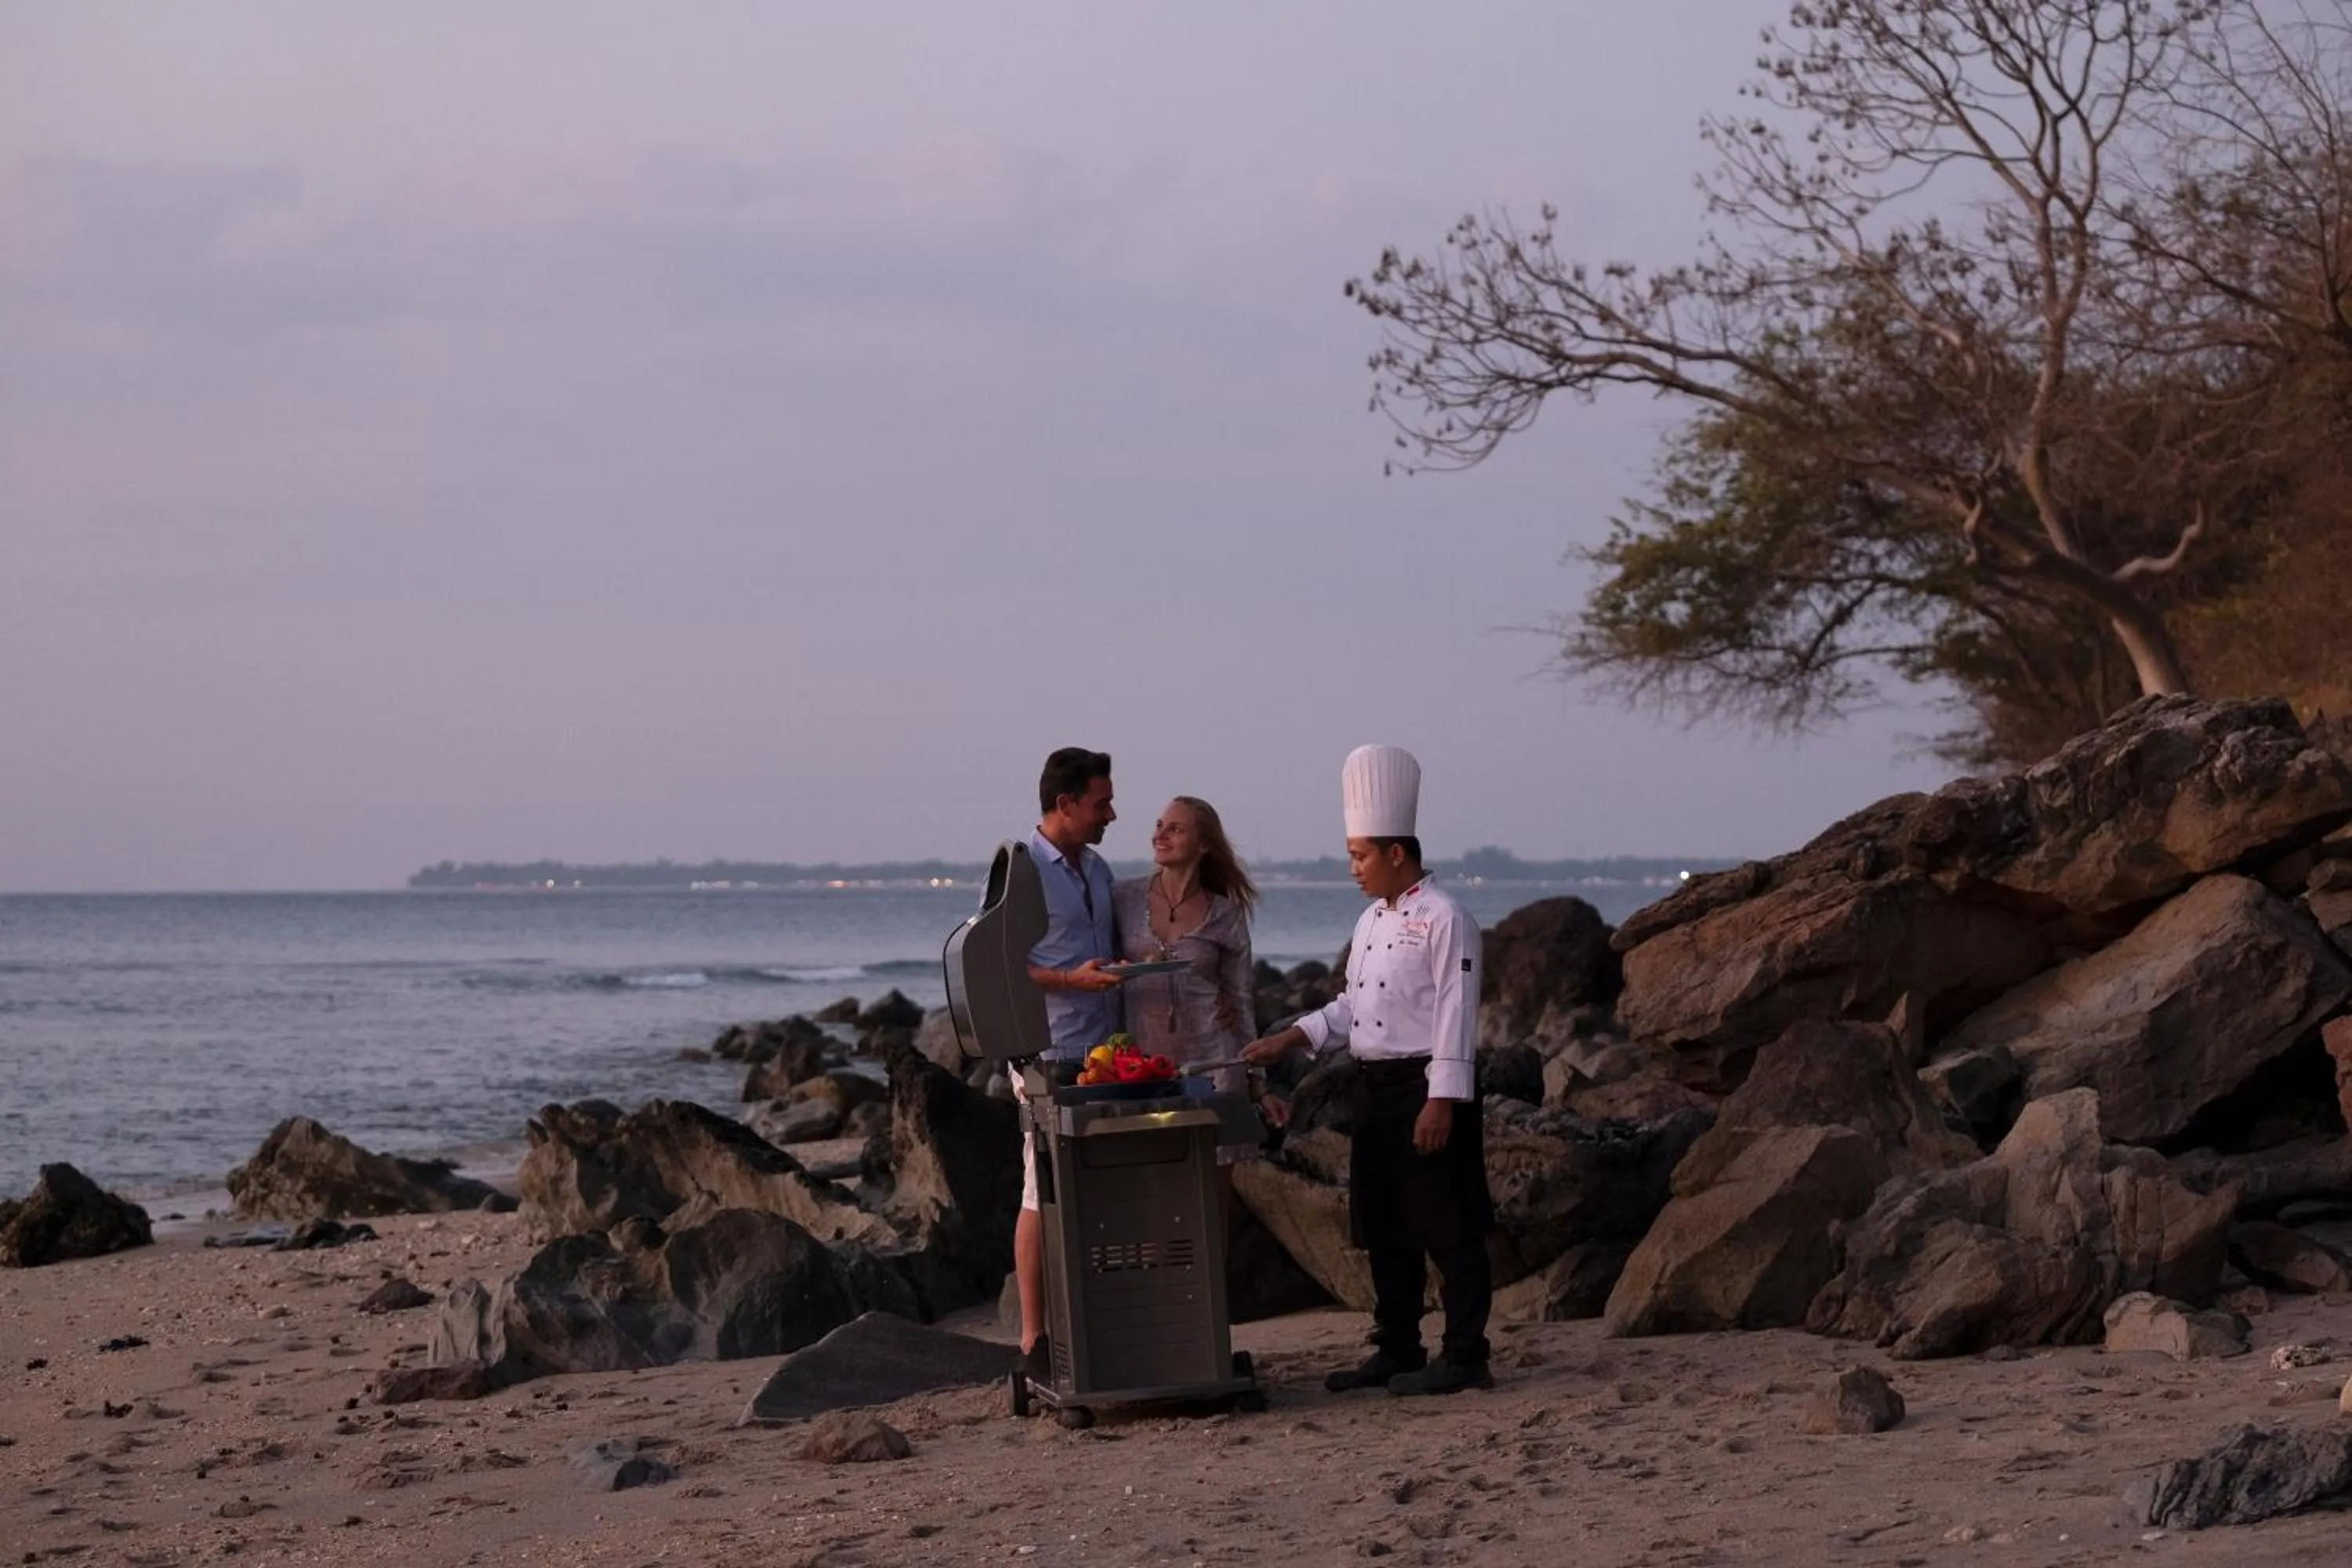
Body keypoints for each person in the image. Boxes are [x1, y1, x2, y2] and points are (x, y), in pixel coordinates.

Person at [1243, 744, 1494, 1396]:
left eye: (1359, 856)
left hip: (1426, 1085)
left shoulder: (1447, 918)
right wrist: (1291, 1037)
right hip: (1373, 1087)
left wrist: (1442, 1100)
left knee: (1450, 1225)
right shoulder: (1370, 920)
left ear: (1396, 853)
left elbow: (1457, 1013)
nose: (1353, 868)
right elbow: (1353, 1006)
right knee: (1386, 1225)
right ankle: (1398, 1347)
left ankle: (1467, 1355)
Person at [1014, 746, 1125, 1382]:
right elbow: (998, 967)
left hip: (1104, 1052)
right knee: (1039, 1189)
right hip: (1047, 1054)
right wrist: (1069, 981)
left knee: (1097, 1189)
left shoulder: (1099, 869)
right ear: (1065, 803)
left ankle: (1097, 1324)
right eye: (1101, 803)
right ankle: (1034, 1339)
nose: (1111, 814)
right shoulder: (1021, 870)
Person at [1110, 797, 1280, 1167]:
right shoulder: (1122, 899)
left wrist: (1259, 1084)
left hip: (1216, 1066)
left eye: (1176, 829)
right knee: (1156, 1181)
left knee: (1214, 1187)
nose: (1160, 835)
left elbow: (1241, 1003)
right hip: (1144, 1070)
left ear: (1203, 845)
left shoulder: (1225, 914)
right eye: (1159, 826)